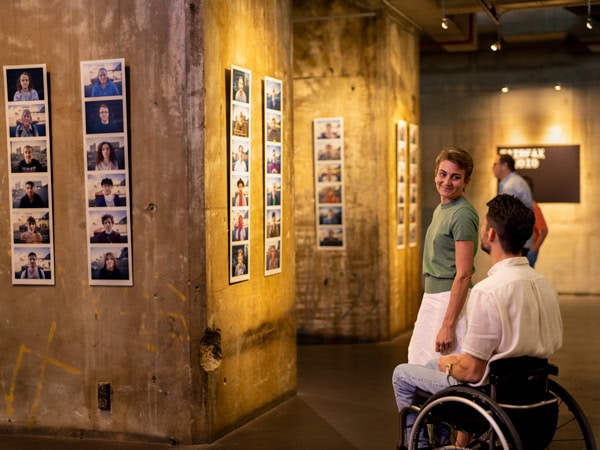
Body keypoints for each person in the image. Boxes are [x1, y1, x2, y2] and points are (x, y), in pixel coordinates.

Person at [392, 194, 562, 447]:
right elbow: (548, 342)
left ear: (491, 235)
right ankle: (444, 441)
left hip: (487, 396)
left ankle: (418, 445)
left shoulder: (488, 291)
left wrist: (449, 365)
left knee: (401, 374)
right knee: (431, 361)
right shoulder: (544, 284)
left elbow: (473, 371)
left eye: (484, 225)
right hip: (531, 391)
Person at [407, 147, 478, 366]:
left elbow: (464, 274)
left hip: (448, 298)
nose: (447, 181)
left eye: (456, 177)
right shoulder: (442, 208)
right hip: (433, 296)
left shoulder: (462, 215)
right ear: (435, 174)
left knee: (440, 366)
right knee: (419, 361)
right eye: (443, 174)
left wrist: (448, 324)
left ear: (466, 182)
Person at [492, 153, 534, 256]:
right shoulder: (516, 182)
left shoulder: (511, 186)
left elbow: (507, 217)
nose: (492, 167)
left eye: (495, 164)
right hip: (521, 241)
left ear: (505, 166)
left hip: (515, 243)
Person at [522, 175, 549, 268]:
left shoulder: (533, 207)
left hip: (528, 251)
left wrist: (534, 249)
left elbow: (544, 230)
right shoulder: (521, 206)